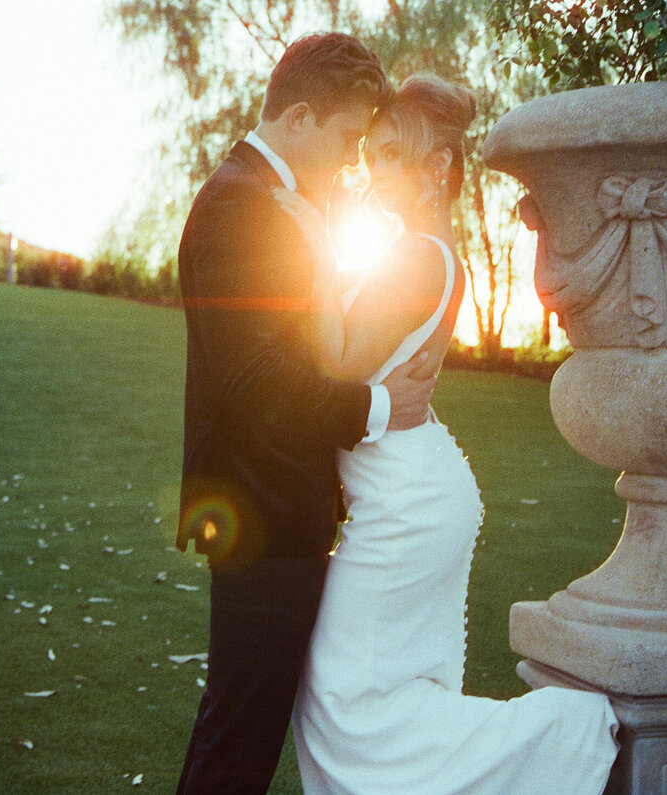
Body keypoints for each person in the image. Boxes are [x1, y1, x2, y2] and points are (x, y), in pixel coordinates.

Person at [277, 74, 621, 794]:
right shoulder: (424, 249)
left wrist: (306, 242)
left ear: (438, 166)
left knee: (347, 704)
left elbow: (333, 364)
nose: (378, 170)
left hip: (407, 502)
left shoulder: (415, 257)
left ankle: (576, 735)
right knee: (372, 700)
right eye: (373, 152)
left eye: (398, 154)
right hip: (408, 489)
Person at [173, 33, 438, 795]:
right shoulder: (239, 206)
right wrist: (379, 404)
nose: (353, 159)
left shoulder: (266, 200)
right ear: (297, 117)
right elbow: (260, 382)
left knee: (243, 729)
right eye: (349, 139)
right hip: (263, 512)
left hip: (277, 508)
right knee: (239, 736)